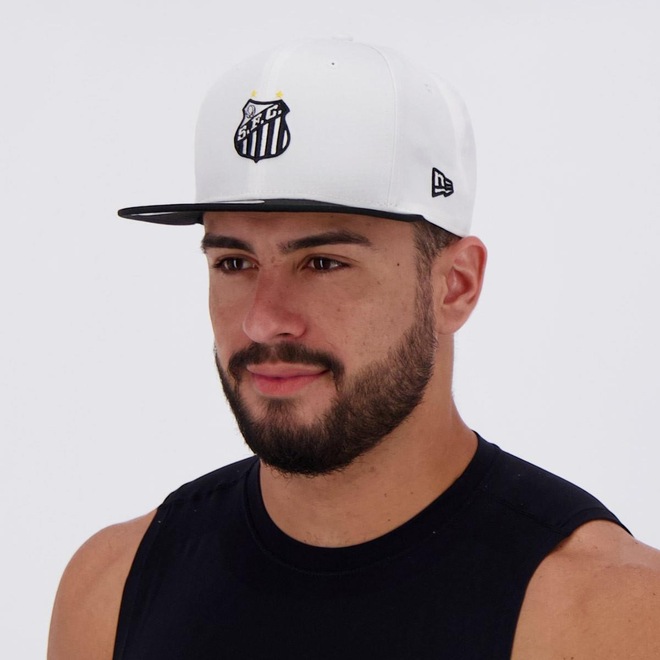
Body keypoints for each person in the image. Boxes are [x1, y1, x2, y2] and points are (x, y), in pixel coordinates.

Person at [48, 38, 660, 659]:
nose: (263, 321)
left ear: (455, 286)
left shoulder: (609, 616)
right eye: (234, 262)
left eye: (322, 262)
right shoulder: (111, 588)